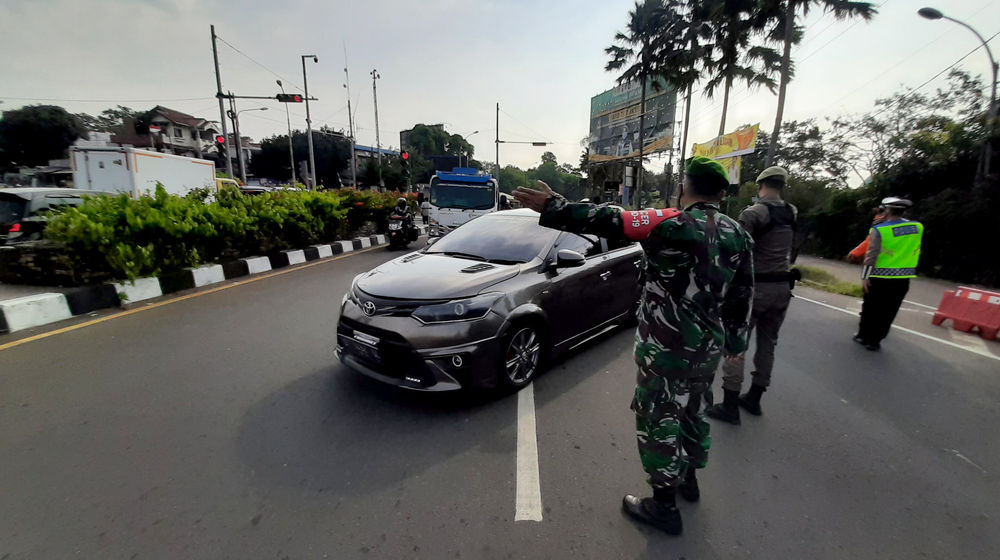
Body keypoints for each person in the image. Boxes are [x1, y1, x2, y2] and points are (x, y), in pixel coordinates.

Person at [513, 157, 754, 536]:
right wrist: (737, 343)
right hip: (707, 347)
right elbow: (742, 296)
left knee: (659, 417)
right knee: (693, 411)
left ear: (684, 187)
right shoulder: (738, 234)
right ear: (722, 194)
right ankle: (689, 479)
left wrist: (555, 206)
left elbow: (611, 220)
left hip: (666, 345)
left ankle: (663, 505)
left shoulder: (670, 225)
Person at [706, 166, 796, 425]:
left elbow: (735, 250)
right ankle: (755, 398)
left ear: (760, 185)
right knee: (768, 343)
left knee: (736, 342)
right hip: (782, 287)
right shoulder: (792, 211)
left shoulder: (753, 213)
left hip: (755, 288)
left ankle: (731, 404)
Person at [854, 197, 923, 351]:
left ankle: (863, 335)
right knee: (889, 311)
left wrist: (865, 277)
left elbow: (871, 256)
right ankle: (875, 341)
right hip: (903, 278)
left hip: (879, 277)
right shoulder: (918, 227)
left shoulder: (879, 230)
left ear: (887, 210)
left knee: (871, 308)